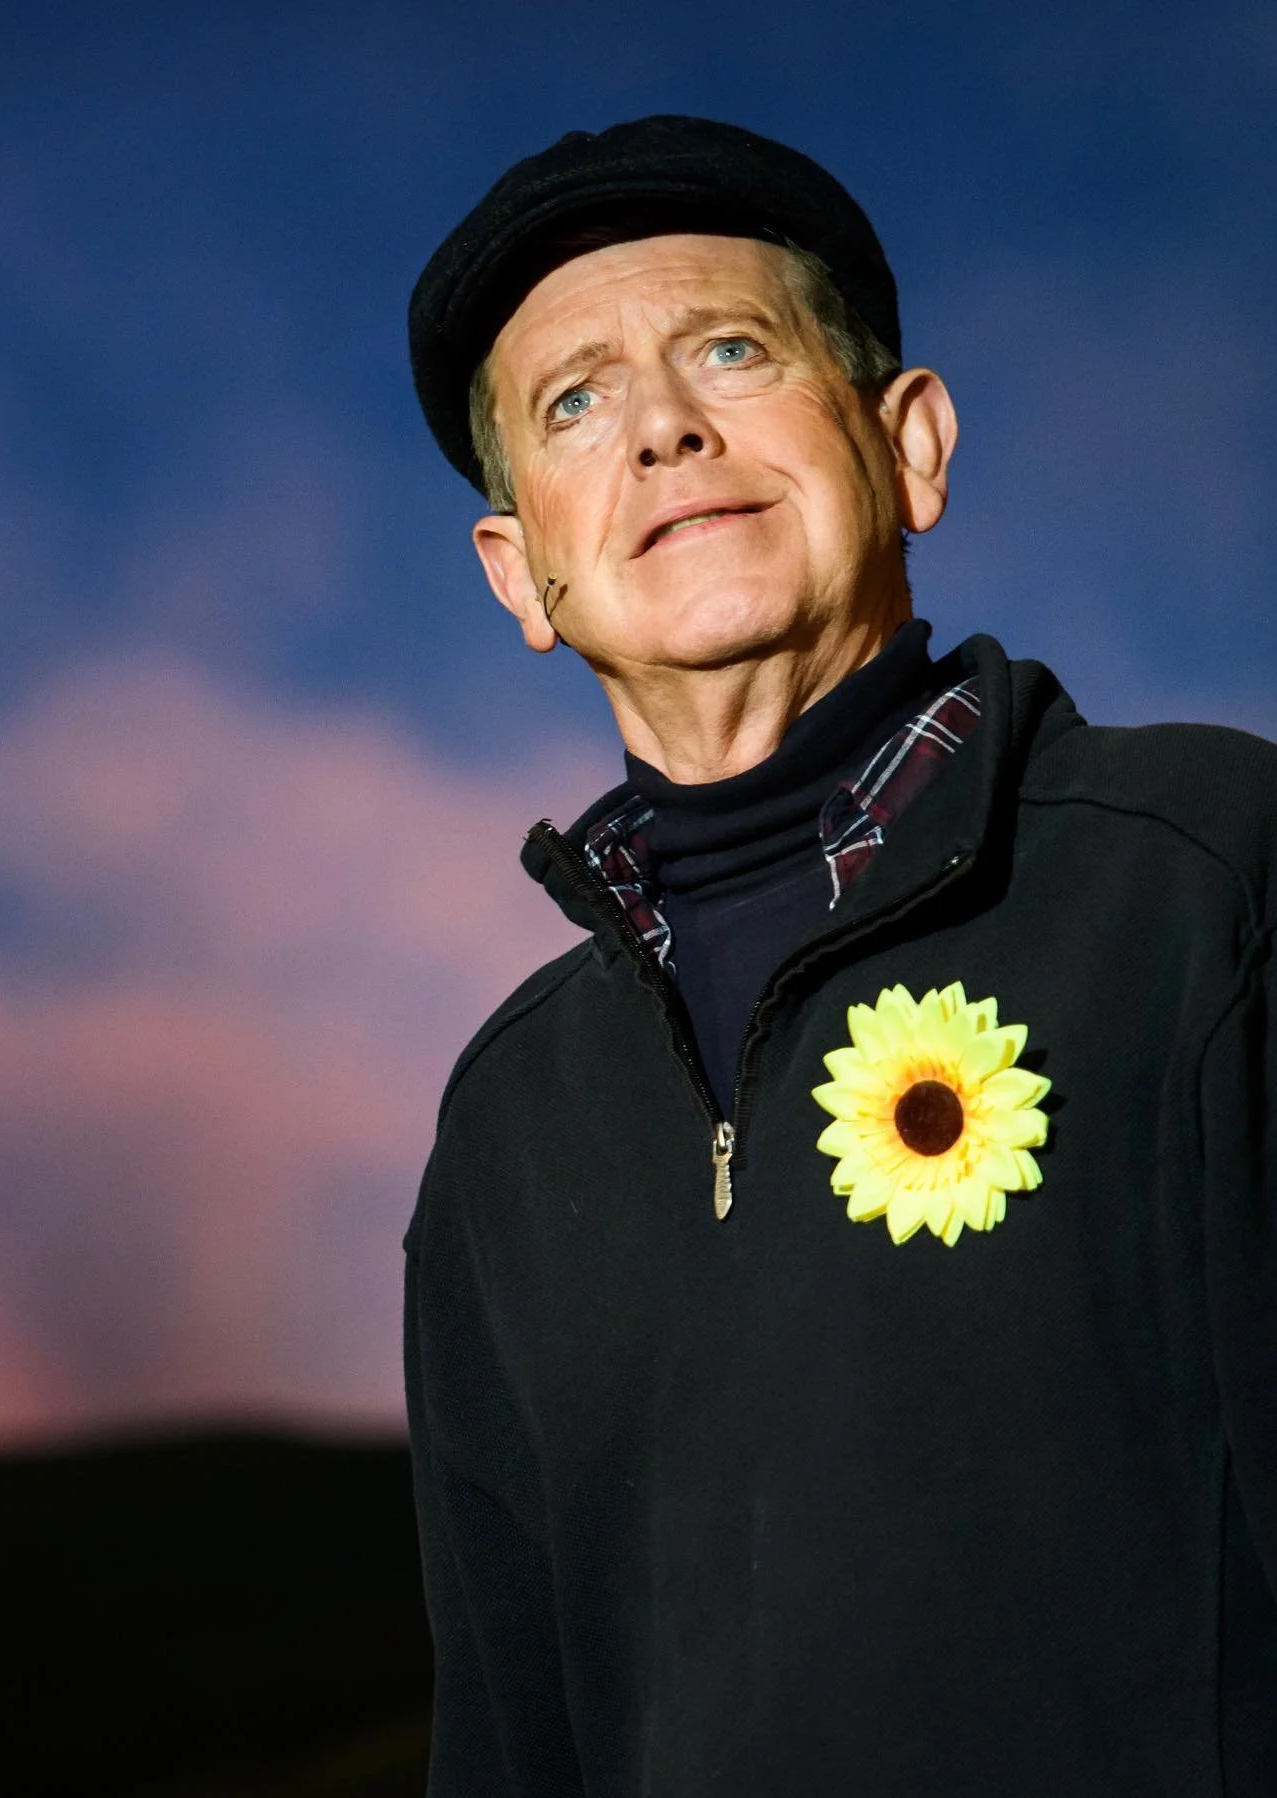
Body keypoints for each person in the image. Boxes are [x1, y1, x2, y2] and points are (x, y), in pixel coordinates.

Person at [402, 115, 1277, 1796]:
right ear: (526, 573)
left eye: (730, 348)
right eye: (574, 401)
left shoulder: (1205, 882)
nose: (662, 425)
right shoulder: (507, 1128)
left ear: (911, 447)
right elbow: (509, 1746)